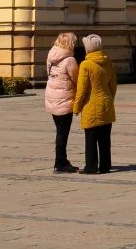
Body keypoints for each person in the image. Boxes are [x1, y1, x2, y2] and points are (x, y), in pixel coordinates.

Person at [73, 33, 117, 175]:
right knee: (105, 138)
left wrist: (76, 107)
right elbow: (113, 86)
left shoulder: (86, 64)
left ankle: (91, 167)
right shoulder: (108, 62)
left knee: (91, 138)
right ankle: (105, 166)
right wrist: (109, 99)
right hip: (106, 103)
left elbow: (82, 89)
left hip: (91, 105)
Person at [43, 32, 83, 173]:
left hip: (52, 97)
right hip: (64, 100)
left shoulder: (51, 56)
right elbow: (77, 79)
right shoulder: (70, 60)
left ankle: (63, 160)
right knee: (62, 133)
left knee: (60, 131)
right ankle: (60, 163)